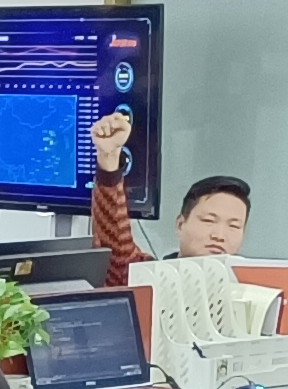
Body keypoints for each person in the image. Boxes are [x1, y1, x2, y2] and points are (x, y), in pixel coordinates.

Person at [92, 117, 249, 283]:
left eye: (234, 226)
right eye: (209, 220)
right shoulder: (150, 277)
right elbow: (117, 247)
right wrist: (109, 157)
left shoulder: (252, 288)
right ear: (180, 224)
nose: (219, 236)